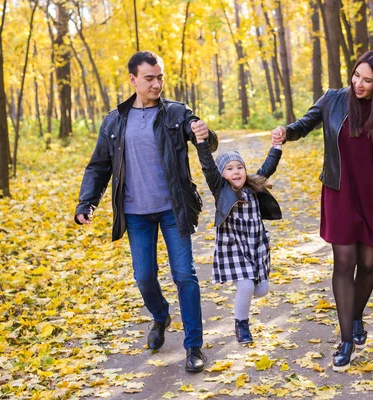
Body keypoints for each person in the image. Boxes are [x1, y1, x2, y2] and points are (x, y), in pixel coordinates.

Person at [74, 51, 218, 373]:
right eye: (149, 78)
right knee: (144, 277)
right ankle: (160, 315)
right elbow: (99, 166)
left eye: (160, 77)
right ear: (133, 80)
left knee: (185, 275)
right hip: (136, 214)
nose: (156, 83)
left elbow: (206, 139)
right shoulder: (114, 121)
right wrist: (87, 202)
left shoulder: (177, 114)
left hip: (172, 209)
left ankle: (193, 346)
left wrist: (204, 134)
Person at [271, 50, 373, 371]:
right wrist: (286, 132)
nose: (359, 84)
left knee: (368, 263)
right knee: (344, 262)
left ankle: (357, 315)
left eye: (367, 80)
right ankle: (347, 338)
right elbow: (304, 123)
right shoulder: (333, 100)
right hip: (340, 193)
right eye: (356, 76)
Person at [194, 132, 282, 344]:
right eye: (230, 168)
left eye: (239, 167)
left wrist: (276, 146)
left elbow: (268, 167)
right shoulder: (220, 189)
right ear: (222, 174)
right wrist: (201, 143)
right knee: (246, 285)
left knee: (261, 290)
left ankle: (243, 294)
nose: (236, 172)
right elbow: (207, 167)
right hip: (233, 245)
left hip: (255, 244)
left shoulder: (252, 187)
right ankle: (241, 325)